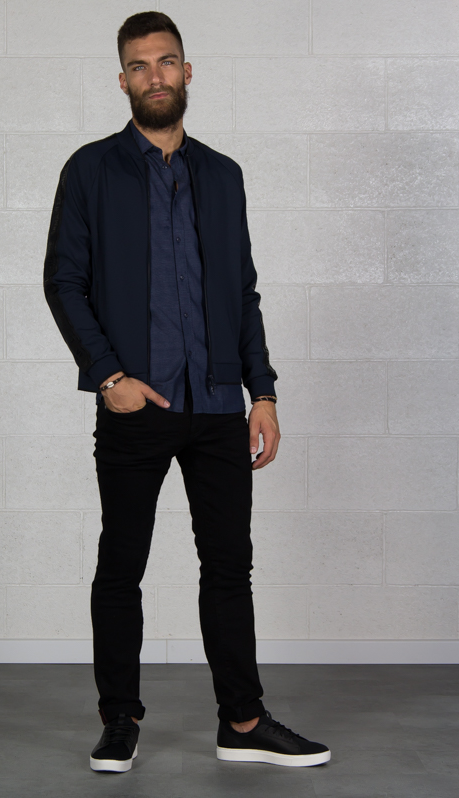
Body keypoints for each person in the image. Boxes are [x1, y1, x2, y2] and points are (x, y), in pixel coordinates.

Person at [43, 10, 330, 774]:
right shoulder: (91, 170)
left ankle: (243, 721)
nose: (155, 76)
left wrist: (262, 393)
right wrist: (109, 378)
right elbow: (64, 282)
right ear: (122, 80)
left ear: (187, 70)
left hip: (216, 406)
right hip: (137, 408)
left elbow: (241, 292)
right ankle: (119, 720)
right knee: (121, 568)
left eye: (166, 61)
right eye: (139, 65)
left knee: (229, 568)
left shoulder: (222, 175)